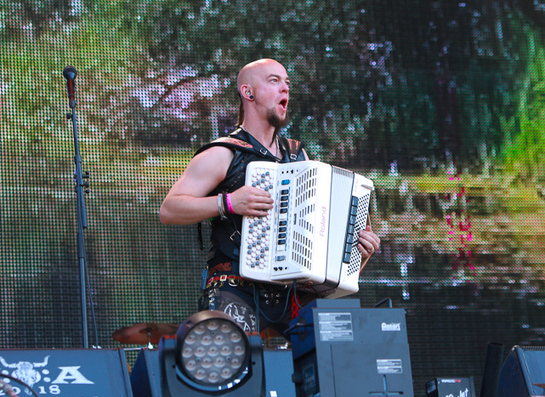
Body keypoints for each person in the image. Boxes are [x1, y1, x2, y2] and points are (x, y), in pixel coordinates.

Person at [160, 58, 380, 334]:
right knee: (236, 364)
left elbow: (319, 241)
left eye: (287, 83)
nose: (285, 89)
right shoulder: (222, 152)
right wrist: (229, 202)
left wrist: (355, 250)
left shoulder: (299, 157)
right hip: (235, 289)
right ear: (247, 92)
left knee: (334, 356)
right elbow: (169, 209)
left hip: (294, 292)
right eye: (274, 81)